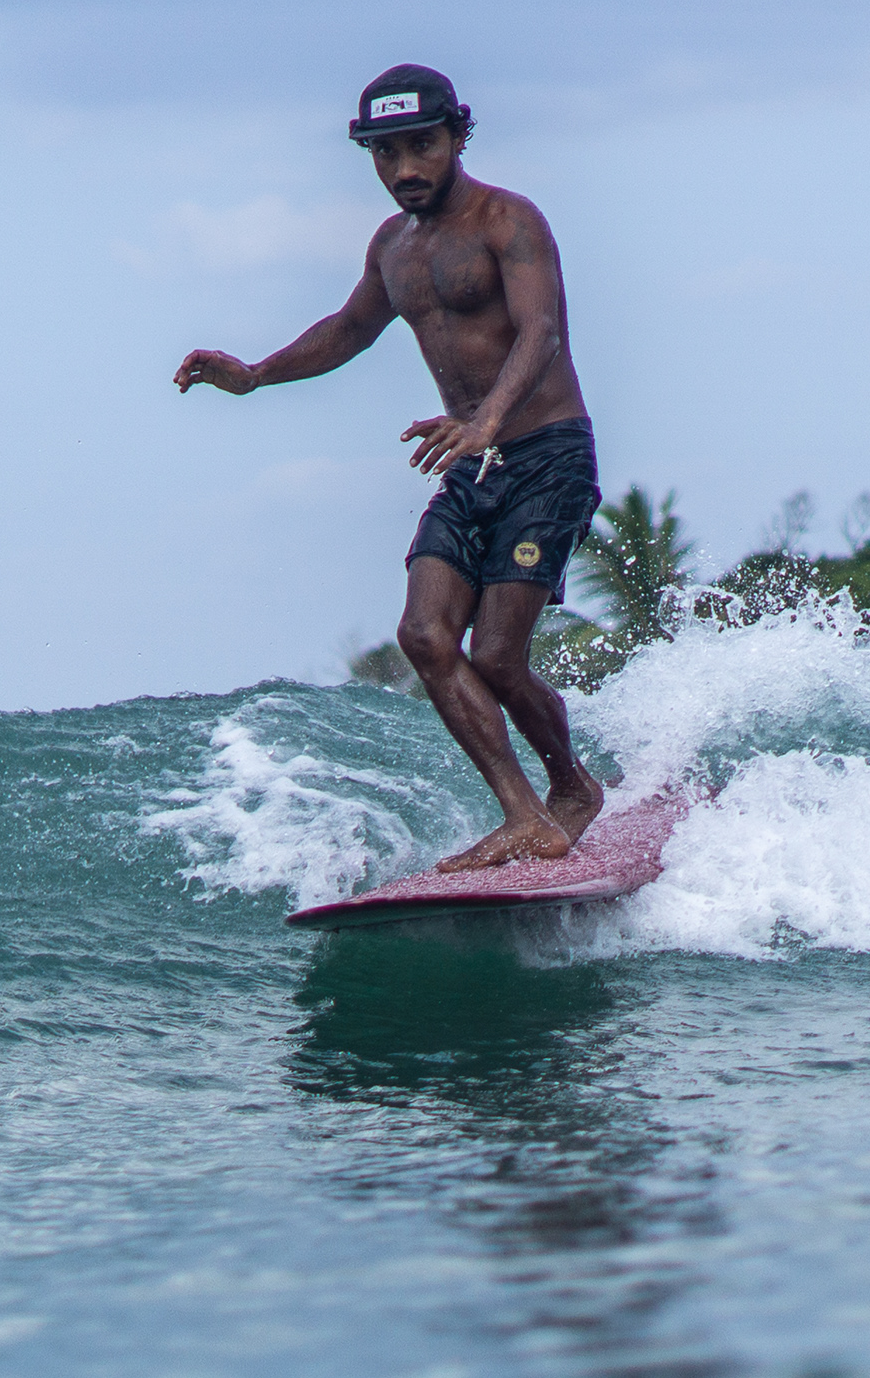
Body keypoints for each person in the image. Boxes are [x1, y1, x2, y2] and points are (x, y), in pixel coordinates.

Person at [173, 64, 605, 869]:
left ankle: (572, 788)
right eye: (385, 153)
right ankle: (521, 813)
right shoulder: (393, 249)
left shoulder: (510, 221)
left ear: (456, 138)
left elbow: (541, 331)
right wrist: (258, 374)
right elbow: (348, 328)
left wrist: (486, 422)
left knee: (499, 657)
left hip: (545, 453)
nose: (405, 169)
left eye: (422, 147)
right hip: (470, 459)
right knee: (424, 635)